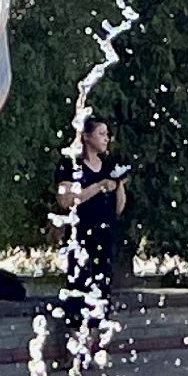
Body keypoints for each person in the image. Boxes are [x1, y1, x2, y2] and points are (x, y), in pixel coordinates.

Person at [56, 117, 127, 335]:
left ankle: (95, 341)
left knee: (102, 287)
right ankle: (73, 339)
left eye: (107, 134)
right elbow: (66, 200)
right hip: (80, 236)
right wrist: (98, 186)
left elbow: (118, 209)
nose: (106, 138)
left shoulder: (108, 166)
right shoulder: (71, 164)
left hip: (103, 236)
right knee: (78, 286)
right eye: (101, 134)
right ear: (86, 137)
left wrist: (119, 186)